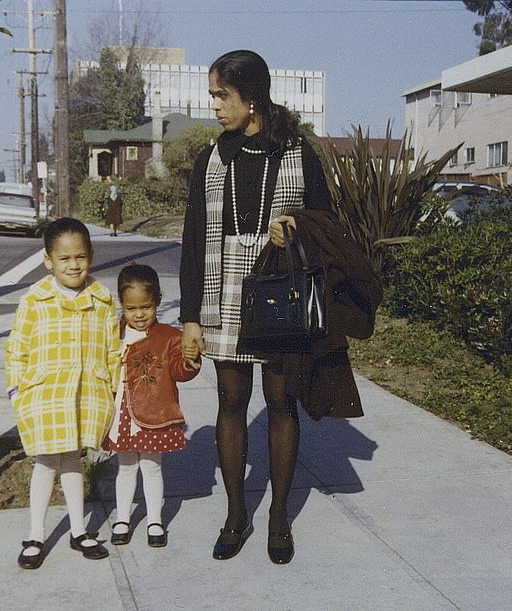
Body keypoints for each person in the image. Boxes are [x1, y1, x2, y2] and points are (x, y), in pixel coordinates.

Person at [179, 50, 341, 565]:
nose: (216, 107)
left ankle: (277, 518)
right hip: (223, 289)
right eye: (214, 97)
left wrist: (292, 224)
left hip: (278, 289)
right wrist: (189, 318)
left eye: (222, 96)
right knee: (230, 401)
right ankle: (235, 514)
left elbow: (327, 222)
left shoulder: (297, 151)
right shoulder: (212, 157)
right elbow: (193, 238)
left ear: (251, 98)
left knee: (279, 403)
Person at [5, 217, 120, 569]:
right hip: (45, 395)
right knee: (45, 462)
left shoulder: (102, 300)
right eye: (65, 258)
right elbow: (17, 348)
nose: (74, 265)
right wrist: (16, 389)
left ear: (91, 256)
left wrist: (113, 389)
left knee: (73, 460)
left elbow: (112, 349)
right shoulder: (35, 300)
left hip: (85, 393)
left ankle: (78, 529)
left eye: (81, 257)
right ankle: (35, 534)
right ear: (48, 260)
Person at [103, 263, 200, 547]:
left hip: (154, 413)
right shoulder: (114, 333)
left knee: (152, 467)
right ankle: (122, 518)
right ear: (122, 305)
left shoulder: (169, 336)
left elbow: (180, 372)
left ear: (157, 301)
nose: (140, 314)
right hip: (121, 413)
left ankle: (155, 520)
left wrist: (190, 359)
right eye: (132, 309)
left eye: (146, 307)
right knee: (126, 467)